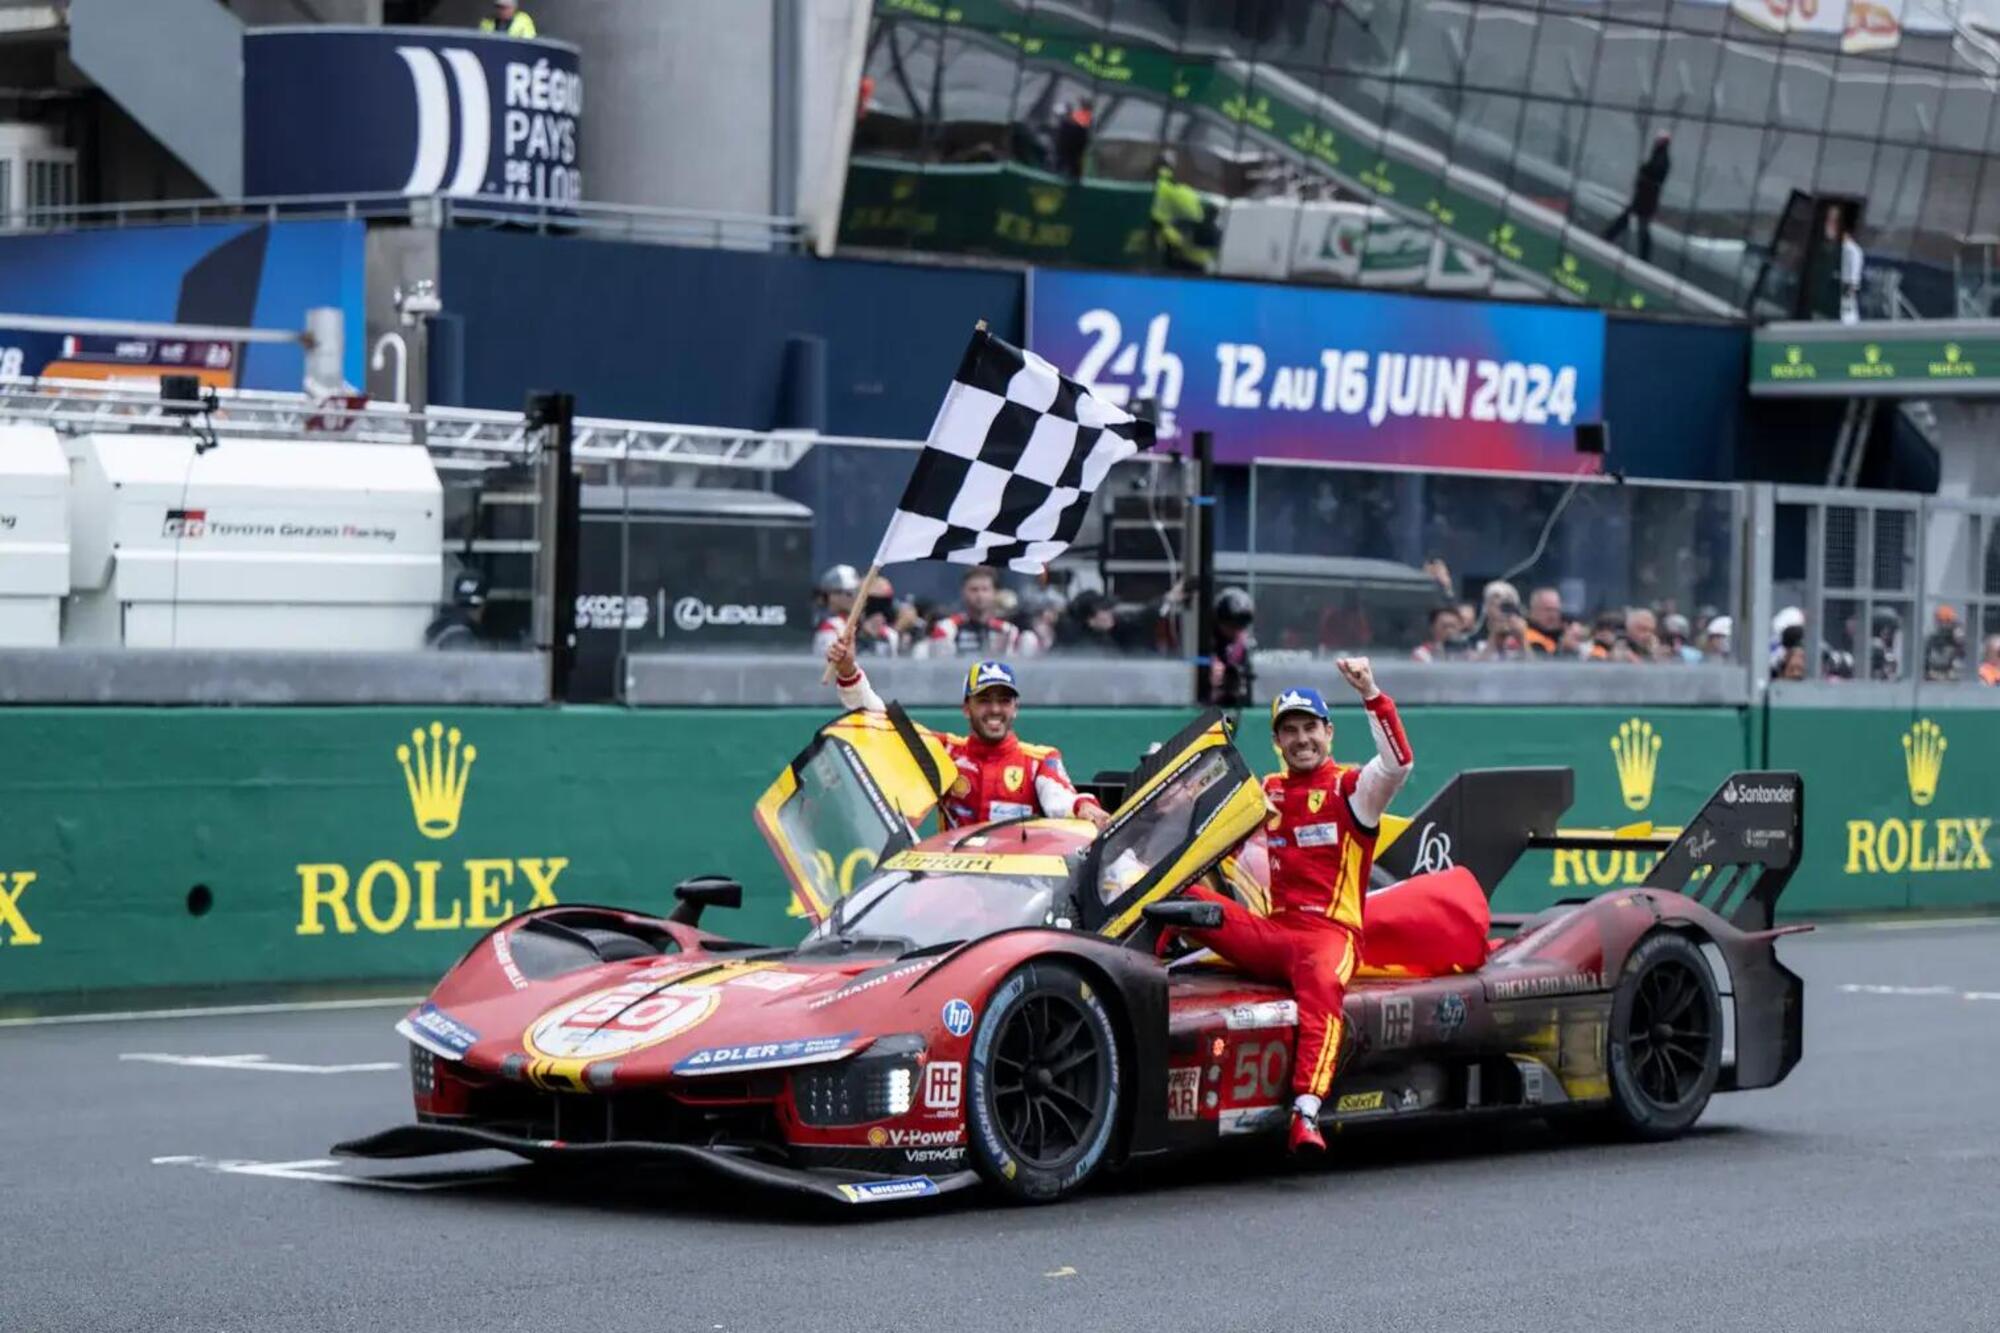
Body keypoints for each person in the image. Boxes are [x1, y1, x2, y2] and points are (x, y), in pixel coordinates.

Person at [1179, 664, 1413, 1154]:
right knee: (1181, 901)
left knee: (1321, 988)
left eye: (1310, 728)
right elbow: (1211, 828)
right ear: (1277, 741)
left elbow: (1398, 764)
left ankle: (1306, 1112)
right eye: (1290, 731)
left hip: (1331, 937)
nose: (1302, 739)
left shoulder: (1353, 790)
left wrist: (1370, 693)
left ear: (1329, 732)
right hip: (1274, 934)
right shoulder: (1269, 792)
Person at [826, 642, 1111, 829]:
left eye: (1004, 700)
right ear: (966, 708)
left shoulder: (1039, 760)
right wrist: (849, 671)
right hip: (956, 892)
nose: (995, 709)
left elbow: (1060, 799)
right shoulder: (946, 751)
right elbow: (878, 720)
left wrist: (1083, 807)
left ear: (1015, 708)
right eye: (985, 700)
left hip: (1022, 893)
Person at [915, 565, 1021, 659]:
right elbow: (942, 667)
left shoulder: (1008, 630)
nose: (980, 595)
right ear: (963, 592)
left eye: (985, 589)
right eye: (974, 590)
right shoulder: (946, 628)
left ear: (994, 593)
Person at [1602, 130, 1671, 263]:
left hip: (1646, 198)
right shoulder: (1659, 156)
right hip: (1645, 197)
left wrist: (1644, 171)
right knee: (1632, 220)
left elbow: (1654, 172)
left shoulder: (1662, 158)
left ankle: (1610, 236)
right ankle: (1610, 236)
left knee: (1636, 222)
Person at [1151, 155, 1217, 274]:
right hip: (1193, 259)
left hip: (1182, 258)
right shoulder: (1189, 193)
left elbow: (1160, 222)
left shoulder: (1165, 188)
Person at [1211, 587, 1256, 706]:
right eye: (1231, 625)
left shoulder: (1243, 645)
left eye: (1240, 626)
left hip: (1234, 706)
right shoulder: (1207, 642)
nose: (1235, 631)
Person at [1524, 587, 1565, 657]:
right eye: (1548, 610)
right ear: (1533, 611)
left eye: (1556, 610)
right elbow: (1542, 665)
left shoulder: (1560, 635)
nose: (1553, 615)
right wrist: (1564, 649)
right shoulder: (1528, 637)